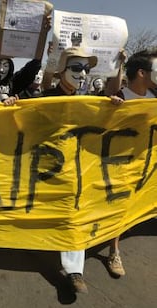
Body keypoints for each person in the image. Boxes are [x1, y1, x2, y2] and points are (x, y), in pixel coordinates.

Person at [41, 47, 98, 294]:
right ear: (62, 71)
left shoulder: (89, 101)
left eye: (86, 69)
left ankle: (74, 271)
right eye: (76, 68)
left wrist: (114, 104)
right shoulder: (46, 97)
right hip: (44, 168)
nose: (82, 74)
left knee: (73, 213)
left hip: (75, 170)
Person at [107, 48, 157, 277]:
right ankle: (113, 250)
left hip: (146, 164)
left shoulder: (154, 99)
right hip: (119, 164)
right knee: (119, 204)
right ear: (141, 73)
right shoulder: (120, 97)